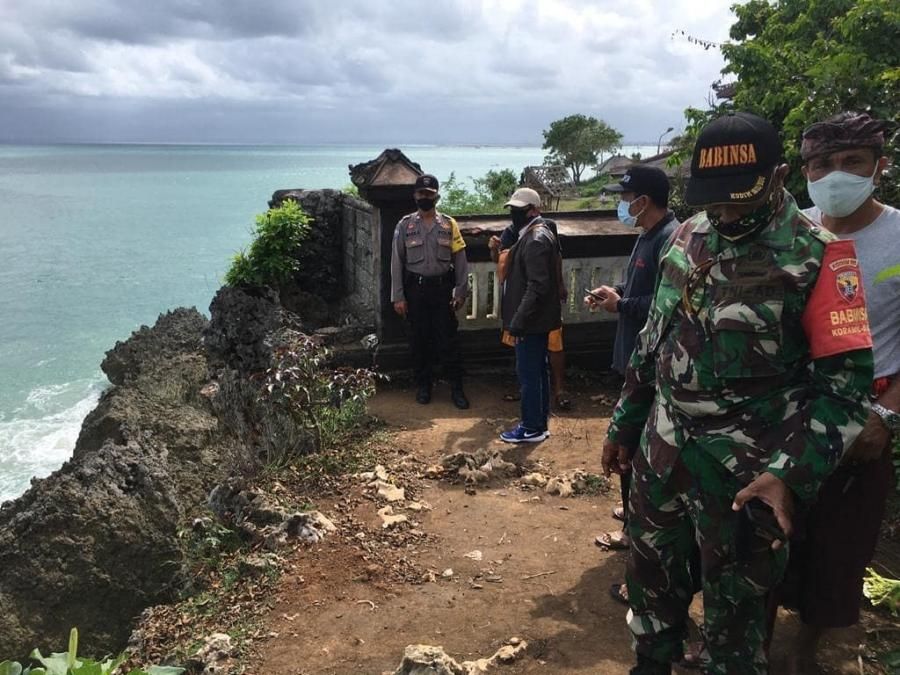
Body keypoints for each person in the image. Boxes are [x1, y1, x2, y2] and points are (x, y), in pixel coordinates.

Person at [602, 111, 874, 675]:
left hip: (747, 476)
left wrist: (791, 474)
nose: (724, 214)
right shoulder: (687, 235)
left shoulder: (820, 257)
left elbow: (845, 392)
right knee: (650, 595)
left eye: (738, 202)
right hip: (663, 454)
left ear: (777, 179)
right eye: (714, 201)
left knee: (735, 624)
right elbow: (653, 340)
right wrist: (626, 424)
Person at [777, 111, 900, 674]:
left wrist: (885, 416)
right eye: (822, 164)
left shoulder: (897, 237)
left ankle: (808, 645)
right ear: (803, 172)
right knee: (767, 532)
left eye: (851, 162)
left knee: (838, 545)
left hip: (863, 416)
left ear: (880, 165)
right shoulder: (792, 232)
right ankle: (751, 634)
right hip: (785, 414)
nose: (835, 175)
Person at [587, 165, 678, 554]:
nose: (622, 205)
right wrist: (618, 292)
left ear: (642, 201)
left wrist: (620, 304)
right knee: (630, 442)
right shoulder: (647, 236)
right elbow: (642, 289)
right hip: (632, 357)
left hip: (652, 365)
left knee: (631, 446)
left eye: (625, 199)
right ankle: (631, 512)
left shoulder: (670, 240)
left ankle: (633, 529)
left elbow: (665, 305)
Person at [390, 174, 470, 409]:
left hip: (442, 289)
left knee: (448, 341)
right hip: (416, 290)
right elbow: (396, 262)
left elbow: (461, 259)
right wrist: (398, 296)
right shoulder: (405, 225)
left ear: (437, 196)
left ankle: (457, 388)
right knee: (419, 340)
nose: (425, 197)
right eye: (421, 194)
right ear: (415, 196)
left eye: (430, 194)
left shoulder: (448, 224)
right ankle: (424, 386)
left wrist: (460, 291)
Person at [490, 212, 571, 411]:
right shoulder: (510, 232)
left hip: (544, 298)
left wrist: (560, 283)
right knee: (526, 352)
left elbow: (556, 257)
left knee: (554, 343)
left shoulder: (546, 228)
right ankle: (529, 391)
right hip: (522, 299)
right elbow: (501, 263)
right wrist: (493, 250)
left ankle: (559, 390)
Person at [499, 187, 562, 443]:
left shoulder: (535, 239)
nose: (514, 214)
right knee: (538, 371)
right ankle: (539, 423)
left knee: (529, 374)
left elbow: (537, 286)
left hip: (531, 321)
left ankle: (531, 427)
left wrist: (518, 320)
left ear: (534, 210)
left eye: (519, 210)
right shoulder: (535, 234)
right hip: (538, 319)